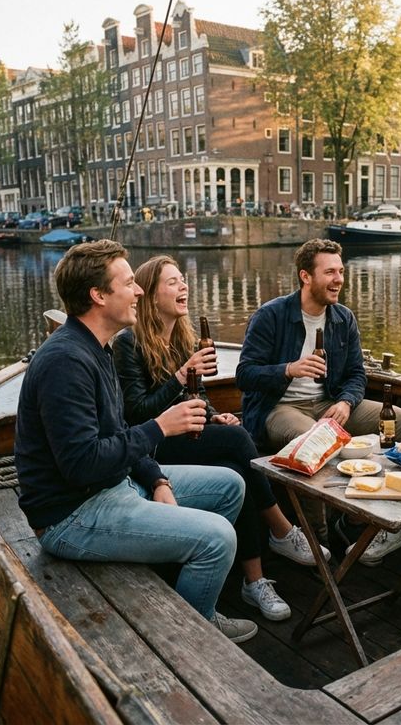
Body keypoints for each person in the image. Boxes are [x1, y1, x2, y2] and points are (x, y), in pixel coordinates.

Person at [14, 240, 257, 643]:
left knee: (231, 486)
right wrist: (160, 428)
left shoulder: (97, 349)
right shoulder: (66, 361)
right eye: (129, 283)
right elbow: (82, 464)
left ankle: (191, 596)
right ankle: (193, 643)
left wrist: (158, 480)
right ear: (98, 295)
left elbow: (118, 431)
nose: (140, 291)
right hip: (71, 515)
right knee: (217, 538)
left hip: (114, 485)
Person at [113, 255, 330, 622]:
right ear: (149, 295)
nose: (183, 286)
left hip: (188, 433)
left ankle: (254, 580)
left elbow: (197, 398)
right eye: (173, 282)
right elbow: (135, 412)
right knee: (237, 442)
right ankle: (281, 529)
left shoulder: (181, 337)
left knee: (236, 461)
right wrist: (181, 376)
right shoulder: (128, 344)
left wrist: (215, 414)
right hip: (150, 445)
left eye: (183, 280)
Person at [237, 238, 401, 563]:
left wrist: (346, 402)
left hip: (329, 403)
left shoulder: (343, 318)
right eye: (330, 272)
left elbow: (357, 374)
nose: (339, 280)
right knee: (316, 440)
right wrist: (289, 369)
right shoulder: (271, 316)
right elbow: (245, 374)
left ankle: (362, 516)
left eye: (341, 271)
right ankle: (316, 536)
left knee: (397, 420)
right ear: (306, 276)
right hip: (280, 408)